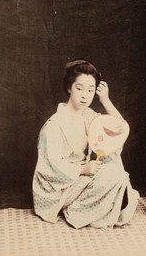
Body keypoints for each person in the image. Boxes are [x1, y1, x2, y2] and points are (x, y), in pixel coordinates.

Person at [32, 59, 139, 229]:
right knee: (113, 174)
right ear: (69, 88)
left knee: (112, 160)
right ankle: (75, 210)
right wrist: (82, 169)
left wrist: (105, 100)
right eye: (79, 88)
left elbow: (120, 130)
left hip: (81, 173)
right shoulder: (54, 125)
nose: (85, 95)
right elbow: (50, 166)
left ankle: (96, 207)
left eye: (90, 90)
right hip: (59, 184)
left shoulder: (88, 115)